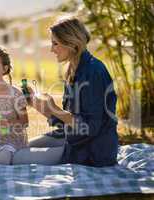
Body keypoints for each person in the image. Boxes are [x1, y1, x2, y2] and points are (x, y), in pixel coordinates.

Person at [13, 18, 119, 167]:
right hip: (72, 137)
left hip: (91, 150)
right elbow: (64, 122)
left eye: (55, 43)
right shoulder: (73, 69)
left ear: (72, 43)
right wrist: (34, 102)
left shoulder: (93, 72)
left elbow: (90, 128)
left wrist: (55, 109)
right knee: (18, 148)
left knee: (17, 158)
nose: (51, 49)